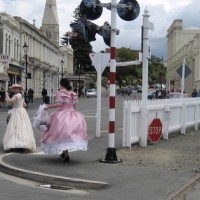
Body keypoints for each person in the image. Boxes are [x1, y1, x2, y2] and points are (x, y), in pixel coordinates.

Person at [41, 78, 88, 161]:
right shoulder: (72, 93)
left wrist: (48, 107)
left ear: (61, 84)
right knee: (66, 134)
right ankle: (64, 152)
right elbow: (74, 106)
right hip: (73, 114)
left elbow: (60, 104)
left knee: (60, 134)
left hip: (63, 115)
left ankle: (66, 155)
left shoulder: (61, 92)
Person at [3, 84, 36, 152]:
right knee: (20, 127)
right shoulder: (21, 95)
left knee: (16, 127)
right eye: (14, 88)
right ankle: (19, 145)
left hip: (17, 111)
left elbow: (10, 101)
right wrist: (19, 103)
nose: (15, 89)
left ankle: (17, 145)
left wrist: (6, 95)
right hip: (21, 111)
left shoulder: (17, 95)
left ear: (19, 89)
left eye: (16, 88)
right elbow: (25, 105)